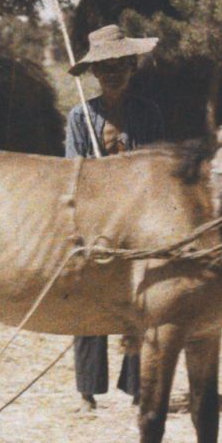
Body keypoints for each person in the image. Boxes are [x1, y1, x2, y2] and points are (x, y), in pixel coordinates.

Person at [64, 23, 166, 409]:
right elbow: (72, 169)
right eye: (104, 69)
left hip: (141, 217)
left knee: (140, 300)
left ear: (132, 66)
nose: (112, 75)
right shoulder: (80, 117)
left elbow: (157, 165)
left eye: (119, 66)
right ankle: (88, 391)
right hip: (96, 219)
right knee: (90, 297)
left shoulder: (148, 113)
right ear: (93, 74)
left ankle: (137, 386)